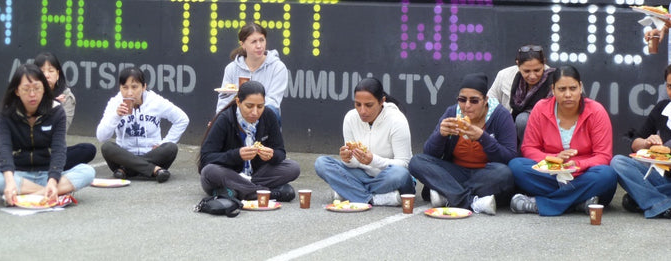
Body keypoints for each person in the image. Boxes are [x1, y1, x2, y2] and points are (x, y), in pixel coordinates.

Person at [508, 65, 618, 216]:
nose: (568, 94)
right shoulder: (541, 108)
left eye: (573, 88)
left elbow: (603, 156)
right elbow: (529, 148)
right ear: (553, 90)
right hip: (551, 175)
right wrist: (553, 160)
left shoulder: (596, 111)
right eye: (562, 89)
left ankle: (539, 204)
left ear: (581, 87)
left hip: (583, 175)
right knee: (516, 166)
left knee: (607, 175)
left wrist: (578, 164)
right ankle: (578, 202)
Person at [409, 73, 517, 215]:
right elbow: (429, 153)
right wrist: (440, 136)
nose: (467, 106)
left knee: (504, 174)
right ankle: (470, 202)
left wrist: (483, 137)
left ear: (485, 101)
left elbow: (509, 156)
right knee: (416, 161)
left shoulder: (500, 115)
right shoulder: (452, 113)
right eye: (462, 99)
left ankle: (448, 194)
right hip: (455, 171)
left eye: (474, 101)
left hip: (485, 174)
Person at [0, 64, 95, 204]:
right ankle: (52, 192)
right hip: (21, 174)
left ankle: (38, 193)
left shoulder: (56, 111)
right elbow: (4, 149)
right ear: (16, 91)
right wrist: (9, 181)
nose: (32, 94)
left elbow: (59, 149)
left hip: (48, 173)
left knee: (87, 171)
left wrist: (53, 180)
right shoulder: (7, 113)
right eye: (26, 89)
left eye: (37, 88)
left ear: (44, 88)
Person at [314, 77, 415, 206]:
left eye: (369, 105)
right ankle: (373, 199)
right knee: (322, 163)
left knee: (400, 174)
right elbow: (353, 164)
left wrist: (373, 160)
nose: (362, 111)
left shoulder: (397, 120)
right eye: (358, 104)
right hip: (361, 175)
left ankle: (349, 192)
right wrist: (348, 159)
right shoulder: (350, 118)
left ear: (381, 101)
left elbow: (404, 164)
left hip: (388, 177)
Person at [199, 80, 300, 202]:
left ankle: (241, 191)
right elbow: (205, 159)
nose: (255, 112)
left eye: (260, 106)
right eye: (249, 106)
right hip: (229, 174)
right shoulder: (225, 119)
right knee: (209, 171)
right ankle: (267, 193)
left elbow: (281, 153)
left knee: (293, 167)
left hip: (256, 175)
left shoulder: (269, 116)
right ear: (238, 102)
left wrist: (272, 155)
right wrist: (237, 155)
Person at [96, 67, 189, 183]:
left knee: (171, 147)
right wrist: (116, 116)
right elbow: (101, 137)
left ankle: (126, 171)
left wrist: (163, 142)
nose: (129, 92)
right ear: (120, 88)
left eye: (134, 87)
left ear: (144, 87)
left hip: (151, 156)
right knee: (107, 147)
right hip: (124, 156)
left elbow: (182, 119)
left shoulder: (155, 101)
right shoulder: (115, 102)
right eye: (125, 88)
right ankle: (154, 170)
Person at [610, 64, 671, 218]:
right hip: (661, 177)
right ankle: (662, 204)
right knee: (618, 162)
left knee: (630, 200)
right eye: (670, 87)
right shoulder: (662, 108)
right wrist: (646, 143)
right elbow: (635, 143)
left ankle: (646, 199)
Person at [34, 51, 96, 169]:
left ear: (57, 74)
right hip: (29, 150)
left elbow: (60, 132)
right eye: (42, 71)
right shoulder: (27, 94)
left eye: (51, 71)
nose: (46, 75)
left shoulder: (66, 97)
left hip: (53, 152)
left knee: (88, 149)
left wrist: (54, 107)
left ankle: (42, 167)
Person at [216, 22, 288, 123]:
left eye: (261, 40)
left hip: (264, 119)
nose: (259, 46)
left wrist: (250, 114)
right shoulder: (231, 68)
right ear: (243, 44)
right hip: (235, 121)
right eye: (253, 42)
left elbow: (273, 102)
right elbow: (224, 100)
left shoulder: (278, 67)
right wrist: (218, 120)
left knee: (272, 112)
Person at [487, 44, 554, 145]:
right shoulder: (504, 76)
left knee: (523, 120)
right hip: (507, 128)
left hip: (542, 132)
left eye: (537, 70)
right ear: (518, 65)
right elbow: (489, 104)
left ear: (544, 63)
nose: (532, 76)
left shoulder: (555, 79)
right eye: (526, 71)